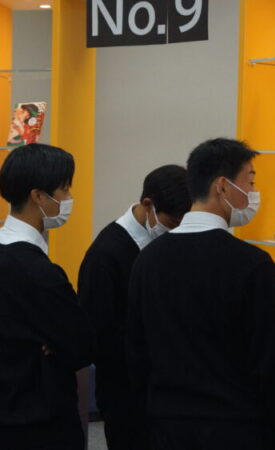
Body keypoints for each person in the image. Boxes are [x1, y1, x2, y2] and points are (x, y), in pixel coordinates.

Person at [127, 138, 275, 450]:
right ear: (222, 186)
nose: (253, 193)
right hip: (236, 430)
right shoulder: (251, 264)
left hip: (166, 428)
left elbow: (137, 354)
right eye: (249, 181)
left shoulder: (147, 259)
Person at [0, 143, 92, 450]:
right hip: (40, 417)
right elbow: (81, 346)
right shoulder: (37, 270)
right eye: (64, 189)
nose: (68, 198)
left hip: (4, 405)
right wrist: (55, 343)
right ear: (38, 196)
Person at [78, 164, 191, 450]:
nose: (176, 228)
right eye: (172, 221)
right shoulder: (106, 254)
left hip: (164, 389)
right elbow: (99, 334)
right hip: (125, 392)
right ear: (148, 204)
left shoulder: (165, 243)